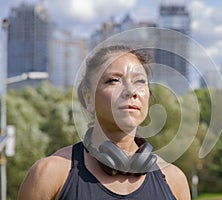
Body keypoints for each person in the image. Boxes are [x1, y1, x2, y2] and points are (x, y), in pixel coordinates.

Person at [18, 45, 191, 200]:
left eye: (139, 81)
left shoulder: (174, 180)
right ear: (88, 99)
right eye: (114, 80)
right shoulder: (49, 174)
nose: (131, 91)